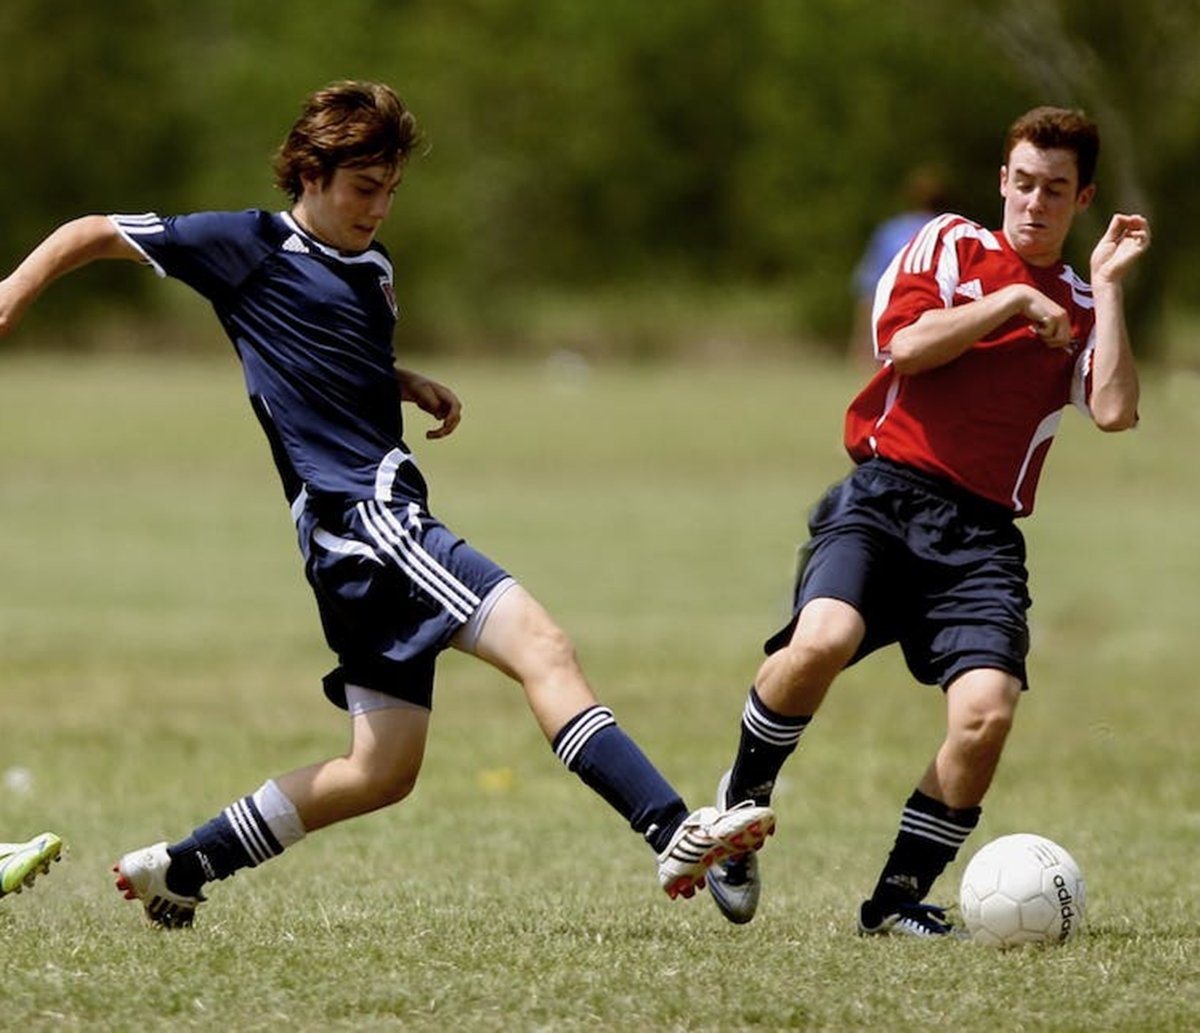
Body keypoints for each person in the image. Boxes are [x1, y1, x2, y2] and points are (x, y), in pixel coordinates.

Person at [0, 81, 774, 929]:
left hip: (351, 537)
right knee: (543, 645)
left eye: (390, 192)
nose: (379, 209)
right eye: (363, 189)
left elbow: (331, 356)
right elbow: (92, 232)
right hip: (369, 523)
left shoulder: (372, 269)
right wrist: (11, 294)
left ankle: (184, 864)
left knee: (383, 768)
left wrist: (400, 382)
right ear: (310, 173)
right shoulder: (248, 245)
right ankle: (671, 826)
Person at [705, 106, 1149, 935]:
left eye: (1056, 189)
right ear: (1001, 181)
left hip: (981, 537)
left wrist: (1112, 286)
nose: (1034, 202)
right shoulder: (949, 244)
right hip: (884, 498)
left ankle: (897, 898)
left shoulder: (1085, 306)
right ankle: (738, 808)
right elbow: (905, 346)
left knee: (986, 713)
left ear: (1082, 197)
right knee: (821, 642)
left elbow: (1117, 409)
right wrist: (1014, 298)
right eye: (1022, 183)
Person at [847, 165, 950, 367]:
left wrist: (862, 342)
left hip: (892, 321)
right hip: (933, 326)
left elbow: (869, 289)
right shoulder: (951, 233)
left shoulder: (891, 232)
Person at [0, 832, 63, 898]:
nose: (46, 871)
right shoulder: (33, 858)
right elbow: (24, 881)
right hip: (5, 881)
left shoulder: (23, 850)